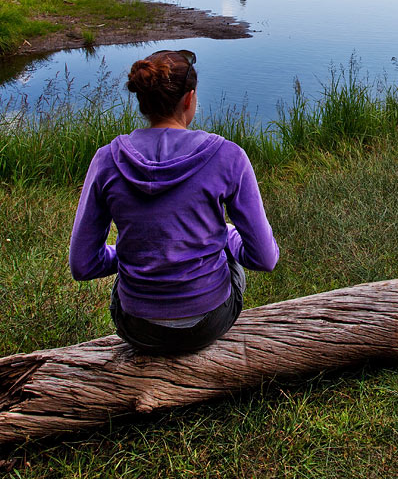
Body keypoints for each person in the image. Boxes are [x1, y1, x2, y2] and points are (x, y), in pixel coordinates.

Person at [68, 49, 279, 355]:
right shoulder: (228, 156)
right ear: (189, 99)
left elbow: (83, 265)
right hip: (208, 322)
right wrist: (226, 236)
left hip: (137, 327)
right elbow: (264, 258)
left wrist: (136, 255)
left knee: (127, 283)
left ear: (143, 101)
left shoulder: (106, 160)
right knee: (228, 256)